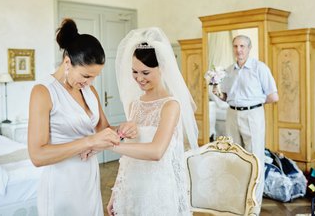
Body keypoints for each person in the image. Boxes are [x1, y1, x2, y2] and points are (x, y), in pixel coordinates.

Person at [28, 18, 137, 216]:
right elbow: (37, 155)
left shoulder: (90, 91)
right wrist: (88, 142)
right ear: (68, 62)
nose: (90, 82)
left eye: (95, 76)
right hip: (61, 184)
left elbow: (104, 131)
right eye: (86, 76)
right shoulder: (43, 92)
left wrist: (123, 130)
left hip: (88, 179)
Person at [106, 27, 198, 216]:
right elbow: (128, 156)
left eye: (145, 73)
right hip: (131, 186)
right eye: (134, 71)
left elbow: (156, 151)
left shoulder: (171, 105)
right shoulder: (135, 105)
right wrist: (116, 192)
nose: (139, 78)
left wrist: (109, 145)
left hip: (157, 190)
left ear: (162, 68)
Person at [212, 34, 279, 213]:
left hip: (253, 114)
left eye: (242, 46)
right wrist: (215, 90)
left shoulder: (260, 68)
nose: (238, 50)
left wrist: (253, 104)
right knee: (234, 157)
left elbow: (273, 96)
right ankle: (238, 201)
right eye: (235, 46)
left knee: (255, 158)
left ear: (249, 49)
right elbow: (225, 96)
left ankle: (254, 206)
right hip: (232, 114)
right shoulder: (228, 71)